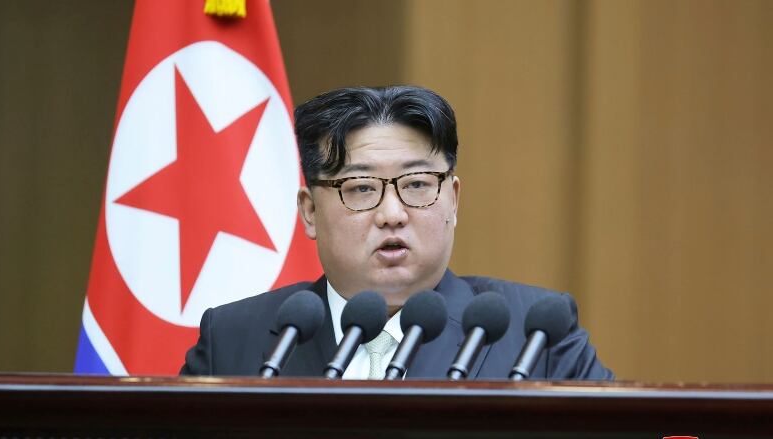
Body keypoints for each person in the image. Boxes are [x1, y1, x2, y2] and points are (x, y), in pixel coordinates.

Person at [180, 85, 613, 380]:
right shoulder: (234, 338)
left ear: (454, 200)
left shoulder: (537, 333)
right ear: (309, 212)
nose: (392, 214)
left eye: (417, 185)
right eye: (362, 188)